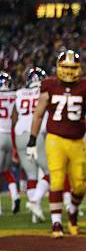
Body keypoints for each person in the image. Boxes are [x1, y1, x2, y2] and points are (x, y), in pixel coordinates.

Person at [27, 50, 86, 238]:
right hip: (55, 139)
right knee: (56, 179)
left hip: (77, 141)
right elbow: (38, 114)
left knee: (80, 184)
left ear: (79, 69)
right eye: (66, 67)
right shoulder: (49, 86)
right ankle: (56, 223)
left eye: (72, 68)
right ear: (58, 68)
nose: (69, 72)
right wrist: (32, 140)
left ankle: (72, 211)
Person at [13, 67, 49, 223]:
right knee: (51, 172)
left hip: (20, 133)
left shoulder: (19, 93)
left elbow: (14, 117)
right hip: (37, 133)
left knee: (31, 175)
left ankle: (35, 214)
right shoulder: (46, 92)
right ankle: (35, 201)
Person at [0, 72, 20, 215]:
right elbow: (15, 119)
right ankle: (15, 196)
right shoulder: (15, 95)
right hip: (10, 135)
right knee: (6, 171)